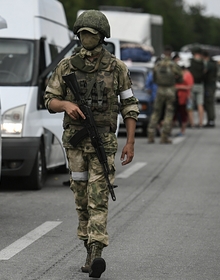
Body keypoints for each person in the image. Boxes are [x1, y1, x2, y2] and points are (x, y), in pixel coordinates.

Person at [44, 10, 139, 278]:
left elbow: (130, 106)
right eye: (83, 33)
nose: (86, 38)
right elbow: (49, 99)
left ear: (101, 37)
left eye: (91, 34)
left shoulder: (117, 68)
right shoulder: (66, 66)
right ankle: (88, 246)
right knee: (81, 197)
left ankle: (96, 251)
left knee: (98, 196)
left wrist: (129, 143)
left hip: (103, 141)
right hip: (75, 144)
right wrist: (66, 105)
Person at [147, 46, 182, 144]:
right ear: (170, 54)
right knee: (169, 113)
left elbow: (153, 78)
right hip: (170, 89)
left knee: (156, 112)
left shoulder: (157, 65)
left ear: (163, 53)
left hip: (160, 90)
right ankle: (164, 136)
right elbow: (181, 78)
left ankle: (150, 135)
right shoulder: (173, 65)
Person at [174, 60, 194, 136]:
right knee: (175, 114)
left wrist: (179, 87)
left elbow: (190, 86)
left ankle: (182, 130)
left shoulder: (188, 75)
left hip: (184, 97)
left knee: (183, 114)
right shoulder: (178, 74)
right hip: (176, 97)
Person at [188, 47, 206, 128]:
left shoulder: (191, 61)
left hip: (191, 84)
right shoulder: (203, 63)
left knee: (190, 104)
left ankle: (191, 123)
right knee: (200, 104)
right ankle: (201, 122)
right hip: (200, 84)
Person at [202, 50, 217, 127]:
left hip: (209, 86)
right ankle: (210, 120)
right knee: (209, 103)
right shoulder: (213, 63)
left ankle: (211, 120)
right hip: (211, 85)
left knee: (209, 103)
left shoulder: (209, 64)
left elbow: (204, 72)